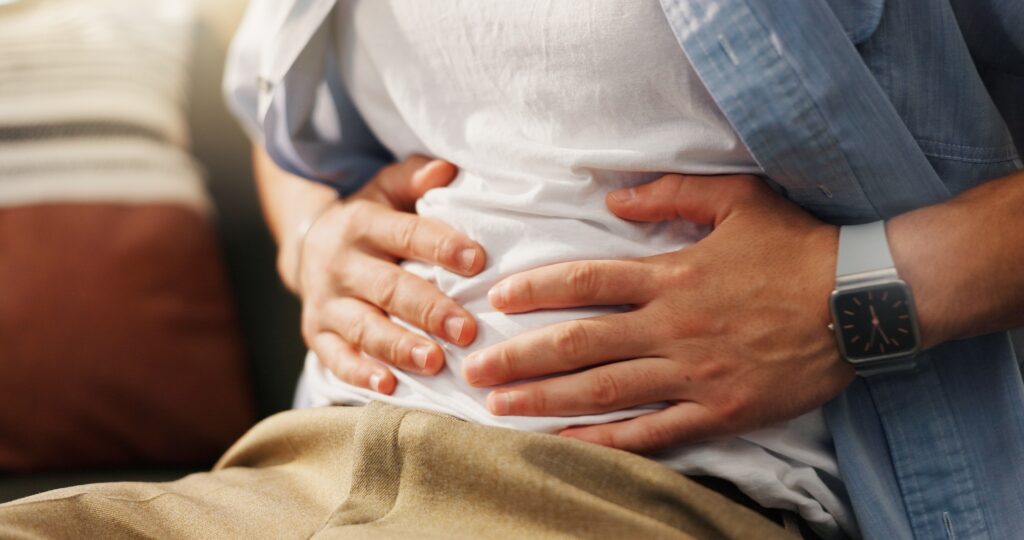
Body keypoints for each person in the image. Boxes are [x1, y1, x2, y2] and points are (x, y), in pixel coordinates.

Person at [1, 1, 1022, 539]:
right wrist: (311, 241)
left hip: (646, 499)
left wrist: (853, 295)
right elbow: (277, 118)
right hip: (292, 468)